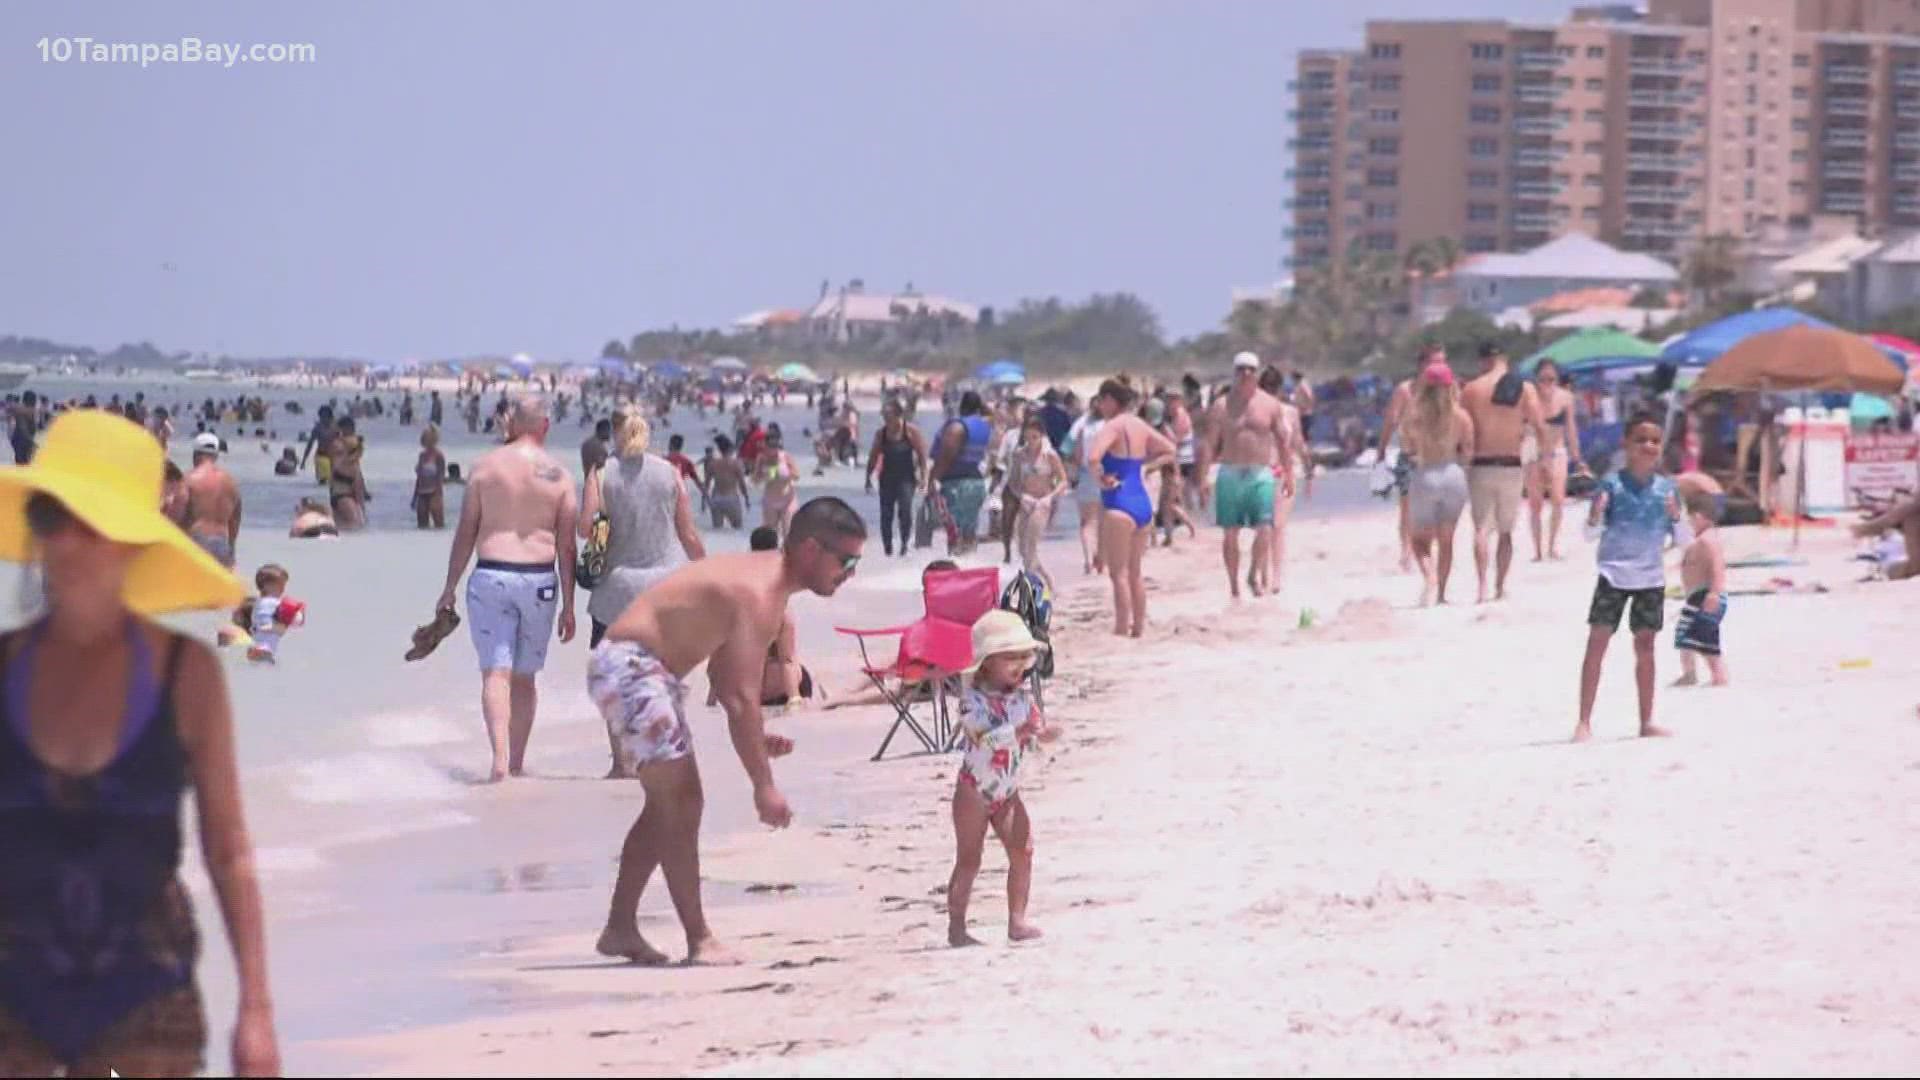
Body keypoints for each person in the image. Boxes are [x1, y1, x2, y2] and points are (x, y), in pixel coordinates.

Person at [0, 410, 279, 1076]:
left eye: (88, 524)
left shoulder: (188, 679)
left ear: (132, 541)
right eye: (49, 519)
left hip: (148, 1002)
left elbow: (229, 852)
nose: (64, 545)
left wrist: (258, 1012)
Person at [589, 497, 866, 966]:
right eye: (847, 560)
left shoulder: (766, 586)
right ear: (812, 550)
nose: (851, 573)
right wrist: (764, 787)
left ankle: (620, 927)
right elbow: (738, 699)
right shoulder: (760, 594)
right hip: (632, 667)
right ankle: (699, 940)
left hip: (642, 670)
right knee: (683, 801)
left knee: (667, 804)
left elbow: (724, 676)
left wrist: (756, 744)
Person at [436, 397, 579, 782]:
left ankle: (499, 762)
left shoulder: (485, 468)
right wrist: (569, 604)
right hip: (539, 578)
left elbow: (466, 530)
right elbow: (568, 545)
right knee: (525, 678)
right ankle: (516, 762)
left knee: (495, 674)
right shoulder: (560, 475)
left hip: (491, 575)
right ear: (546, 427)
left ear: (512, 424)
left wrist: (449, 586)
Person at [1575, 415, 1691, 743]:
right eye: (1641, 439)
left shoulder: (1668, 489)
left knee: (1646, 648)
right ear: (1626, 444)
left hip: (1650, 578)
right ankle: (1584, 720)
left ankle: (1646, 720)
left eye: (1655, 440)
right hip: (1613, 574)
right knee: (1597, 643)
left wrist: (1676, 516)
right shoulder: (1611, 485)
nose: (1648, 446)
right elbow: (1588, 534)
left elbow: (1684, 540)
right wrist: (1597, 515)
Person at [947, 610, 1058, 948]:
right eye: (1009, 657)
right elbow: (983, 738)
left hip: (1007, 790)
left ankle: (1017, 920)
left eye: (1023, 657)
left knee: (1023, 851)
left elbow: (1034, 735)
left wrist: (1043, 735)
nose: (1019, 665)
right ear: (986, 663)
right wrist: (1020, 732)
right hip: (974, 790)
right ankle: (956, 926)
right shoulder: (972, 702)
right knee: (969, 859)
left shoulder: (1023, 700)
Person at [580, 412, 705, 658]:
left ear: (615, 433)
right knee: (656, 676)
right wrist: (708, 572)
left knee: (611, 678)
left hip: (616, 591)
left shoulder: (601, 474)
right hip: (666, 589)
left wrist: (606, 525)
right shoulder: (670, 472)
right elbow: (688, 535)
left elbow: (584, 528)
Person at [1198, 353, 1291, 599]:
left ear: (1257, 373)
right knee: (1230, 532)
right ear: (1234, 372)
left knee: (1265, 528)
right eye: (1241, 369)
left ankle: (1253, 572)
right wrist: (1203, 477)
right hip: (1230, 471)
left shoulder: (1270, 405)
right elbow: (1209, 443)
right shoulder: (1221, 405)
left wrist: (1289, 474)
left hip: (1261, 471)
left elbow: (1283, 442)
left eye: (1250, 369)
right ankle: (1234, 586)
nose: (1246, 374)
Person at [1087, 379, 1176, 637]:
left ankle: (1120, 628)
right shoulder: (1140, 424)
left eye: (1101, 401)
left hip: (1119, 504)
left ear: (1111, 400)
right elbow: (1170, 450)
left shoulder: (1112, 427)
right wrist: (1148, 467)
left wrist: (1100, 478)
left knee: (1118, 574)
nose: (1100, 406)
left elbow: (1094, 457)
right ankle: (1138, 628)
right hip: (1141, 501)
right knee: (1135, 572)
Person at [1461, 342, 1547, 603]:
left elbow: (1464, 431)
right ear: (1503, 358)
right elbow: (1539, 426)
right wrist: (1539, 457)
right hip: (1510, 464)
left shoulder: (1471, 389)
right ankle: (1500, 586)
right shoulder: (1524, 387)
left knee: (1481, 530)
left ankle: (1482, 586)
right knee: (1506, 532)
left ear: (1483, 361)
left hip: (1480, 464)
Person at [1401, 361, 1475, 606]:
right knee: (1447, 539)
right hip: (1453, 474)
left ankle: (1429, 575)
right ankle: (1442, 593)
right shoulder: (1461, 415)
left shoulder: (1413, 416)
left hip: (1425, 474)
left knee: (1418, 540)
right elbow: (1468, 451)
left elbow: (1408, 449)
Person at [1527, 359, 1585, 562]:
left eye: (1551, 379)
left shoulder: (1565, 398)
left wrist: (1577, 457)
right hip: (1535, 452)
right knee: (1535, 503)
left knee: (1558, 500)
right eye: (1543, 379)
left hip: (1558, 451)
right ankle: (1537, 550)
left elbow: (1571, 428)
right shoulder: (1530, 399)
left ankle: (1552, 545)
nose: (1547, 383)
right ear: (1536, 379)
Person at [1673, 490, 1730, 688]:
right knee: (1685, 636)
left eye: (1691, 519)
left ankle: (1719, 675)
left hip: (1706, 595)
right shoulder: (1700, 540)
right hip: (1696, 596)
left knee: (1706, 640)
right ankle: (1689, 673)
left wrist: (1714, 592)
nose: (1690, 524)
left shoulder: (1708, 540)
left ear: (1698, 517)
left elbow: (1717, 566)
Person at [927, 391, 994, 556]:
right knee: (969, 531)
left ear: (960, 405)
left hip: (956, 485)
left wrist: (932, 480)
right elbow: (991, 414)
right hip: (977, 483)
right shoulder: (985, 425)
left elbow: (946, 457)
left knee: (954, 532)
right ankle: (969, 565)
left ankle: (956, 567)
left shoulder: (956, 427)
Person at [1009, 415, 1069, 593]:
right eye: (1027, 437)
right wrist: (1021, 496)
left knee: (1032, 547)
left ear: (1041, 436)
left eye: (1034, 437)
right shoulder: (1019, 455)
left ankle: (1028, 591)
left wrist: (1049, 498)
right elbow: (1013, 483)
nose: (1031, 442)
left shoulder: (1050, 455)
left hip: (1043, 503)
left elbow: (1063, 481)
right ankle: (1049, 581)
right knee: (1022, 549)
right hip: (1026, 502)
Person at [865, 401, 928, 558]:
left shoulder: (911, 431)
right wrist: (868, 477)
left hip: (906, 478)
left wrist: (924, 478)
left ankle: (904, 544)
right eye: (884, 416)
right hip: (886, 478)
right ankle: (887, 548)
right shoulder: (882, 434)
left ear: (898, 415)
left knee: (905, 512)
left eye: (888, 416)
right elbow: (873, 457)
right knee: (886, 514)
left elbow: (922, 456)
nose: (885, 419)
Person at [1062, 390, 1107, 574]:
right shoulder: (1111, 423)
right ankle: (1100, 558)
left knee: (1087, 522)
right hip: (1109, 474)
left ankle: (1088, 560)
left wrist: (1069, 474)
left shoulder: (1080, 424)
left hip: (1087, 474)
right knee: (1104, 521)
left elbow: (1067, 450)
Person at [183, 432, 242, 569]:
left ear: (195, 454)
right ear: (216, 455)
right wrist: (231, 548)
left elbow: (177, 515)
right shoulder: (231, 483)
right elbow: (235, 520)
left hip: (196, 540)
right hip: (222, 542)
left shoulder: (188, 480)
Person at [1852, 489, 1920, 580]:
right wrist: (1861, 529)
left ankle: (1886, 571)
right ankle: (1886, 571)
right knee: (1916, 567)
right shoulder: (1910, 508)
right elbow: (1888, 520)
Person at [326, 417, 368, 531]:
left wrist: (363, 491)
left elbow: (357, 474)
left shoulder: (350, 449)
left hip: (347, 492)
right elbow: (336, 468)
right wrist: (353, 455)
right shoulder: (339, 445)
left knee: (347, 528)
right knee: (355, 526)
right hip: (343, 492)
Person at [706, 434, 750, 530]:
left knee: (717, 531)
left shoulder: (712, 463)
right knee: (738, 529)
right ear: (730, 449)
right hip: (731, 498)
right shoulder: (736, 463)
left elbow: (706, 484)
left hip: (716, 499)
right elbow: (742, 484)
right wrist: (746, 498)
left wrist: (704, 501)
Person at [413, 424, 448, 530]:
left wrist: (438, 495)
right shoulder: (422, 455)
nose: (424, 442)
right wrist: (414, 496)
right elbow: (419, 477)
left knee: (439, 526)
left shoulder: (439, 456)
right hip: (422, 492)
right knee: (421, 527)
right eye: (424, 439)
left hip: (434, 493)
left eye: (426, 439)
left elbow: (440, 476)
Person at [299, 404, 336, 488]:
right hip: (321, 456)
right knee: (323, 480)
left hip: (334, 456)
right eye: (322, 417)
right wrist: (304, 460)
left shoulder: (336, 428)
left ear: (330, 417)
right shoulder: (317, 428)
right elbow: (310, 444)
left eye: (326, 417)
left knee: (335, 481)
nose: (323, 419)